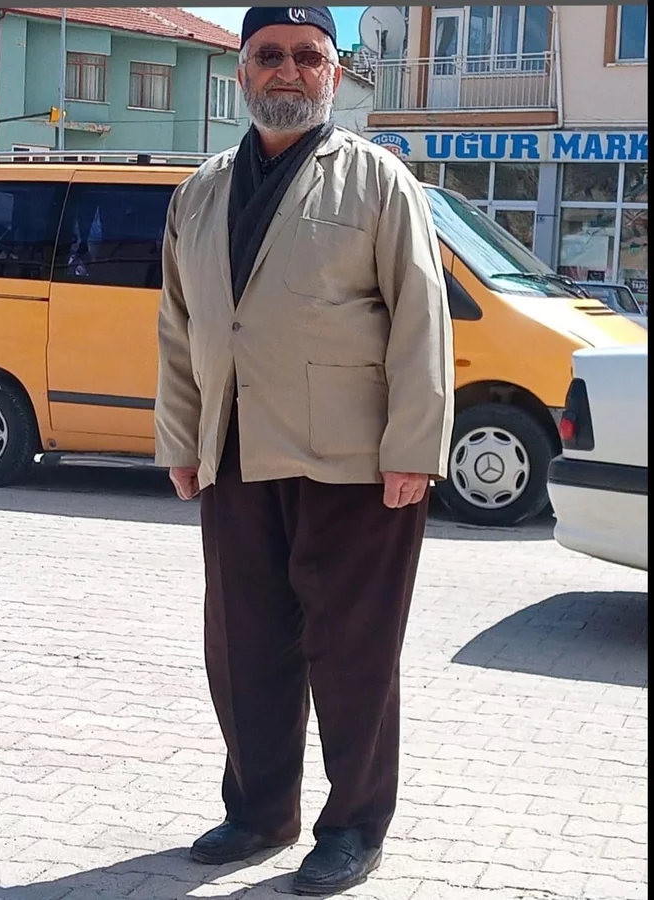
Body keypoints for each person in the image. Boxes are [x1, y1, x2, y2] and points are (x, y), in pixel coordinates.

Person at [154, 6, 455, 894]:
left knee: (352, 652)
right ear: (242, 73)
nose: (287, 70)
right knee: (243, 646)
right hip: (235, 449)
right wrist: (181, 438)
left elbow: (421, 320)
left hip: (354, 463)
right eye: (268, 55)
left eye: (307, 56)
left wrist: (413, 450)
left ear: (333, 73)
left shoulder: (376, 179)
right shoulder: (201, 189)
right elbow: (179, 325)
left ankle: (354, 825)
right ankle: (259, 812)